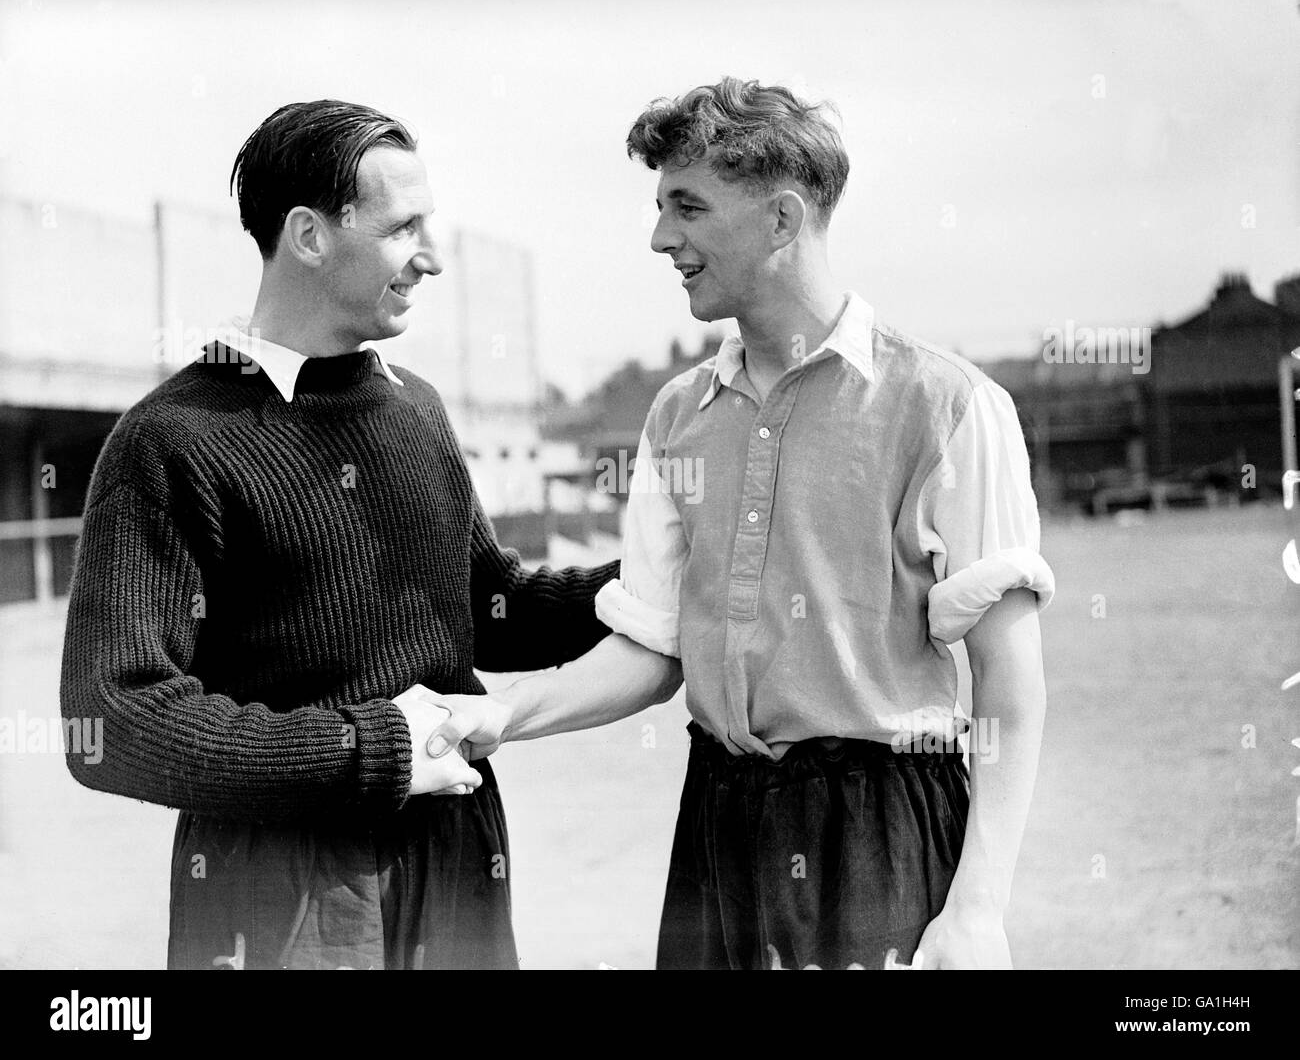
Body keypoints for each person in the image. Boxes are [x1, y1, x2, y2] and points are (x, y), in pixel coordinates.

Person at [427, 77, 1054, 970]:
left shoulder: (949, 407)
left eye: (688, 207)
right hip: (717, 822)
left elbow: (1009, 683)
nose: (660, 238)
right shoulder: (676, 415)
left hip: (877, 832)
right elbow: (652, 649)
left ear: (782, 219)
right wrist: (502, 711)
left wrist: (979, 910)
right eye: (658, 207)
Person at [59, 99, 618, 970]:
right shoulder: (170, 441)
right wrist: (374, 751)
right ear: (310, 236)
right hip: (281, 883)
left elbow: (487, 607)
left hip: (458, 851)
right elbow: (112, 718)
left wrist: (645, 586)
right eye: (403, 229)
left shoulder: (415, 407)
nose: (430, 257)